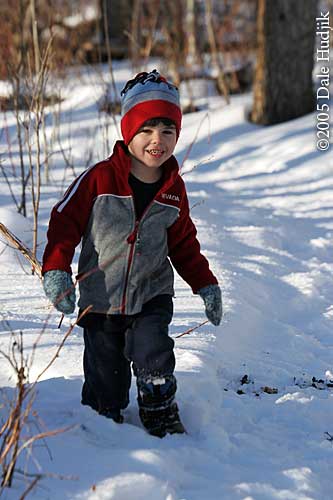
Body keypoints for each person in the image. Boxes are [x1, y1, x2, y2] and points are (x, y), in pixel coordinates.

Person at [42, 70, 222, 438]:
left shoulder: (173, 189)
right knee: (104, 381)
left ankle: (159, 409)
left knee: (154, 354)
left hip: (151, 293)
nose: (158, 141)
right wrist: (56, 270)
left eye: (168, 131)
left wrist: (205, 284)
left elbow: (184, 242)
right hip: (100, 298)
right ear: (128, 132)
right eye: (147, 130)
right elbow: (64, 224)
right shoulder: (98, 180)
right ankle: (103, 423)